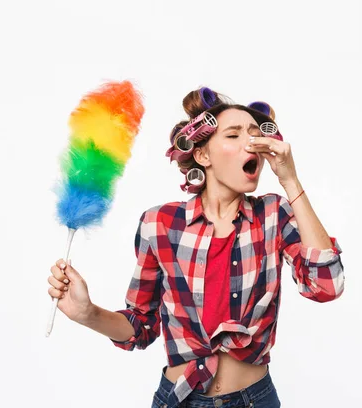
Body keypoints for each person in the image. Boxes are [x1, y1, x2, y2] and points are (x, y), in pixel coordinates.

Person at [47, 87, 345, 407]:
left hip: (254, 400)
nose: (251, 143)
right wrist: (87, 313)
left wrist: (290, 180)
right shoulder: (159, 224)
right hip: (178, 399)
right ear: (203, 155)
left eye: (256, 135)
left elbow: (326, 286)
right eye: (234, 135)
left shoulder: (274, 213)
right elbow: (140, 326)